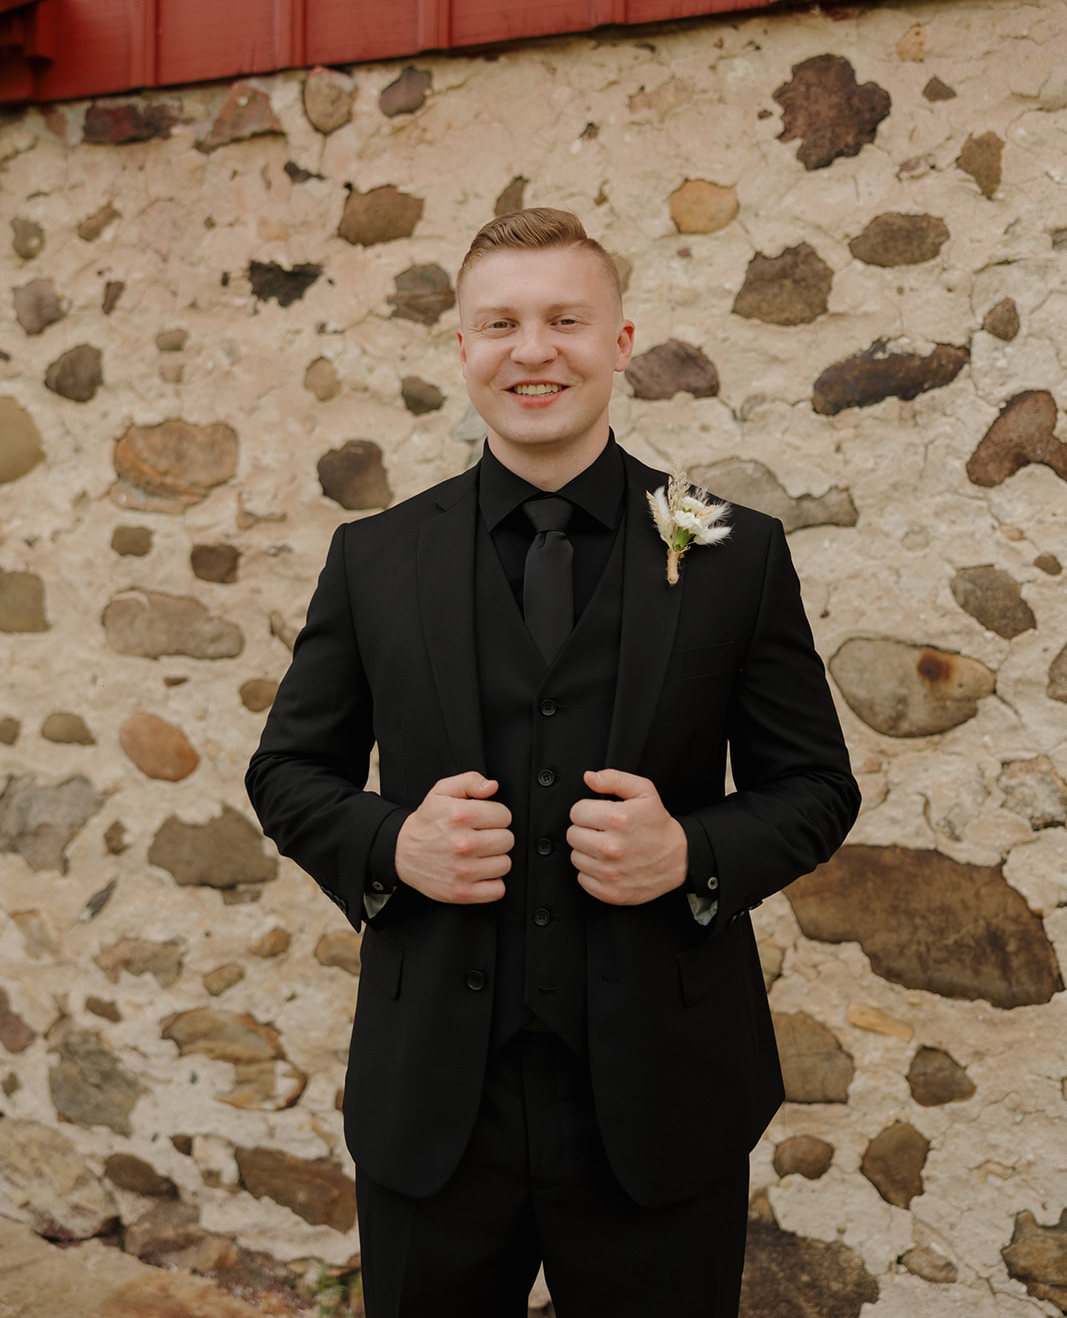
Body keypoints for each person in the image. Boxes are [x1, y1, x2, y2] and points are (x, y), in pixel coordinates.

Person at [246, 206, 859, 1318]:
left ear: (620, 341)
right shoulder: (373, 557)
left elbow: (816, 787)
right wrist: (394, 842)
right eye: (501, 323)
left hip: (661, 1103)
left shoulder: (733, 550)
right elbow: (287, 772)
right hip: (434, 1098)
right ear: (464, 352)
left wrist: (690, 850)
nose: (534, 350)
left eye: (566, 318)